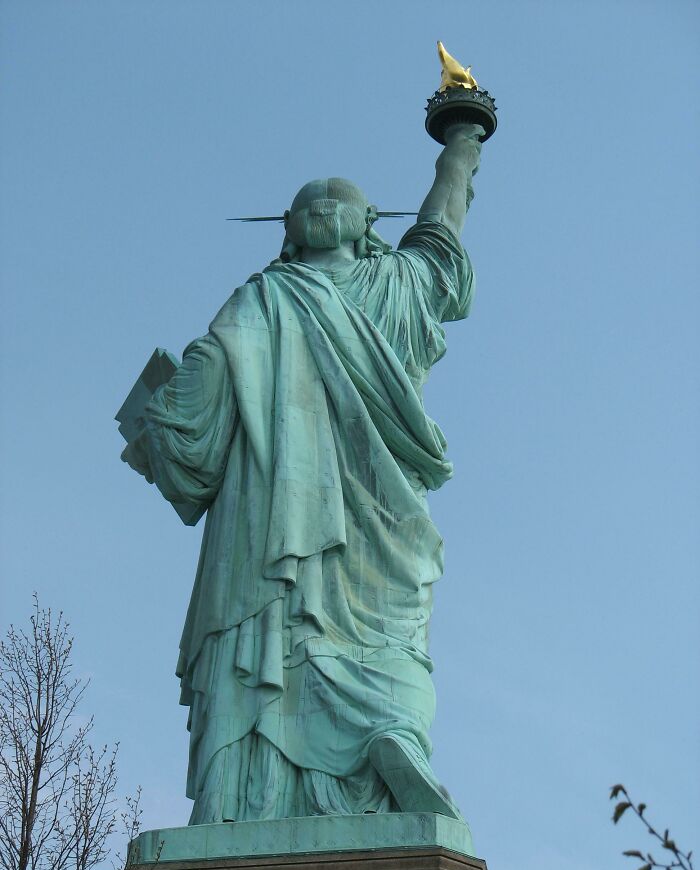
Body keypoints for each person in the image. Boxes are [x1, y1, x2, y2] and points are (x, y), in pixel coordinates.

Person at [121, 122, 484, 825]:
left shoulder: (257, 301)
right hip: (373, 528)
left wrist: (158, 410)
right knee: (383, 652)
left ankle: (241, 799)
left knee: (267, 638)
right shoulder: (389, 288)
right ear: (367, 228)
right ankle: (386, 736)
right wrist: (461, 148)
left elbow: (191, 424)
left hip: (268, 535)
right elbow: (440, 236)